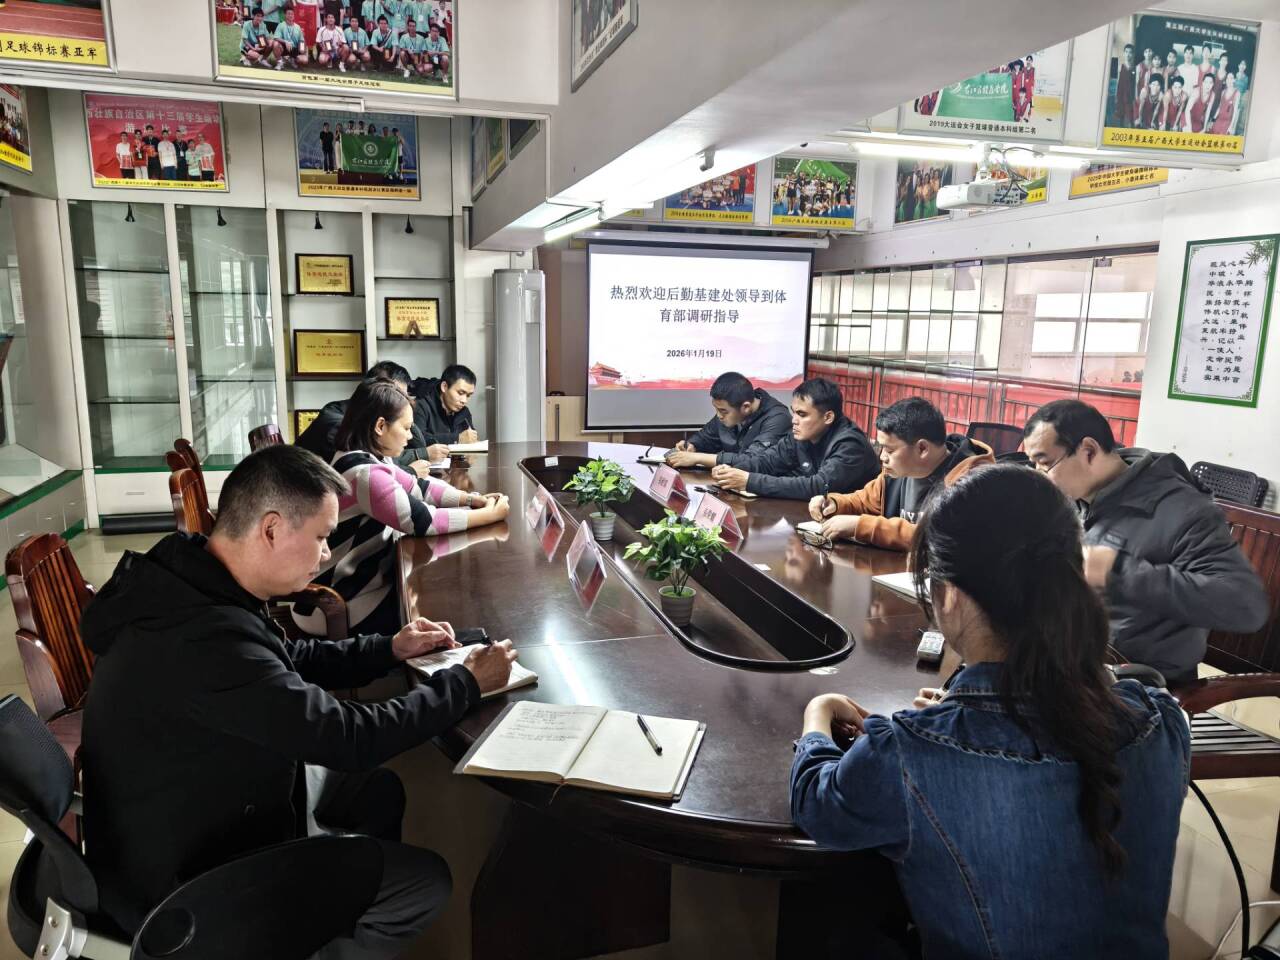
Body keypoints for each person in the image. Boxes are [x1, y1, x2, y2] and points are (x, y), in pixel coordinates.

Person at [81, 444, 519, 958]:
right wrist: (465, 684)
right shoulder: (201, 638)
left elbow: (287, 657)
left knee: (377, 791)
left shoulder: (192, 580)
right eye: (320, 537)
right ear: (271, 529)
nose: (326, 554)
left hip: (211, 801)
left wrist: (390, 648)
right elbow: (347, 737)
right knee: (425, 883)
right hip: (185, 883)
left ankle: (328, 909)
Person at [791, 464, 1191, 957]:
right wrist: (961, 717)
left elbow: (820, 808)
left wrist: (818, 716)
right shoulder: (1161, 721)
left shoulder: (910, 753)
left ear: (949, 597)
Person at [1022, 399, 1268, 685]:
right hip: (1071, 661)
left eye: (1045, 464)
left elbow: (1245, 606)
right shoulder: (1076, 498)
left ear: (1088, 451)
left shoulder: (1184, 510)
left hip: (1137, 683)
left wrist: (1115, 571)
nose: (1040, 476)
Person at [302, 379, 508, 636]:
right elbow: (423, 522)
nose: (411, 436)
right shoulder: (365, 474)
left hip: (359, 587)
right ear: (380, 426)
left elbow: (419, 486)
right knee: (441, 620)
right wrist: (489, 515)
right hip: (337, 602)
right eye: (407, 428)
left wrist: (470, 499)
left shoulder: (373, 458)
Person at [808, 397, 994, 550]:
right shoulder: (898, 471)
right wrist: (834, 504)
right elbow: (864, 501)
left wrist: (861, 526)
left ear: (922, 448)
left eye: (889, 450)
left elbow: (939, 538)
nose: (882, 457)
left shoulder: (971, 480)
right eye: (881, 448)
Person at [708, 378, 879, 500]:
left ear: (828, 417)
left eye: (802, 414)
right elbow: (767, 462)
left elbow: (818, 487)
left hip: (854, 524)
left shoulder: (850, 444)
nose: (794, 420)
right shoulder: (800, 435)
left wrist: (749, 481)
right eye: (794, 412)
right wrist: (730, 470)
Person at [296, 361, 443, 469]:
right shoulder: (338, 422)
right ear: (373, 390)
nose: (399, 400)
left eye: (402, 396)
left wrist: (404, 414)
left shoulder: (378, 417)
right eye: (394, 394)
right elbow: (373, 466)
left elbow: (417, 444)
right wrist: (414, 466)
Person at [666, 372, 791, 469]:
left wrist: (698, 458)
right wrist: (692, 445)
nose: (719, 416)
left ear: (746, 407)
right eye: (716, 409)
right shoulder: (729, 412)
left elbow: (753, 461)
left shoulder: (777, 419)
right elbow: (705, 438)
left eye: (723, 411)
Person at [410, 363, 480, 450]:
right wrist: (457, 438)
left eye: (468, 395)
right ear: (444, 387)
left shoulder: (464, 412)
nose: (464, 400)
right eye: (460, 393)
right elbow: (417, 440)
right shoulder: (420, 406)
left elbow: (470, 439)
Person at [1113, 44, 1136, 128]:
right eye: (1126, 52)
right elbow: (1116, 82)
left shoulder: (1135, 68)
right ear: (1124, 53)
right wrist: (1115, 96)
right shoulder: (1119, 67)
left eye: (1130, 52)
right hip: (1120, 96)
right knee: (1120, 120)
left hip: (1130, 97)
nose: (1128, 54)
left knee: (1129, 120)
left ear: (1133, 54)